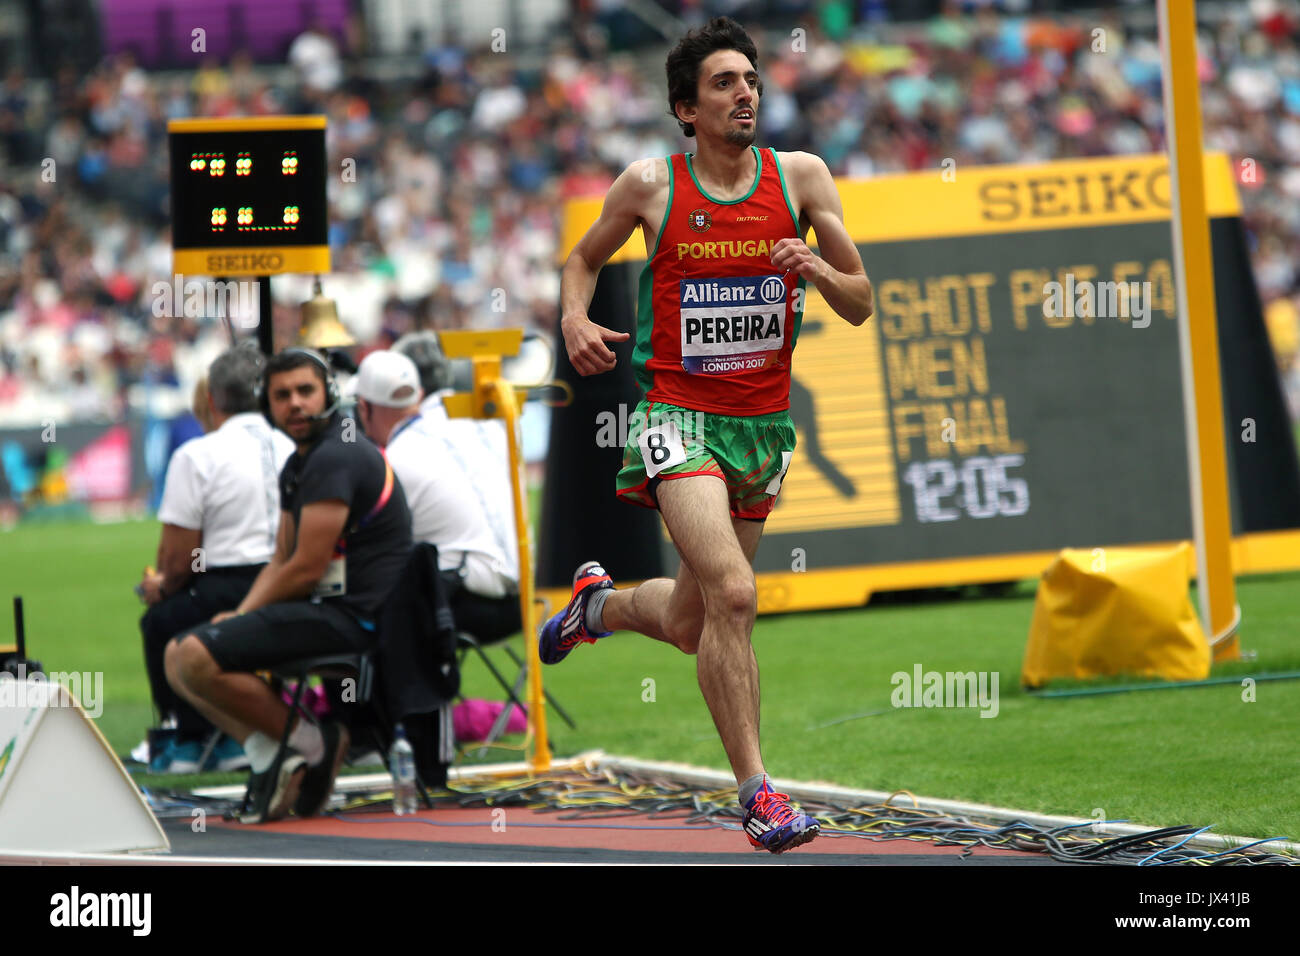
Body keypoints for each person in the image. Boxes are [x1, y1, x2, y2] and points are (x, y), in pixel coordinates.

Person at [543, 17, 873, 853]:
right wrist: (575, 320)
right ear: (685, 108)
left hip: (760, 429)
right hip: (674, 419)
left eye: (751, 79)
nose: (745, 93)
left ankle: (598, 607)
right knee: (732, 594)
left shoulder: (801, 178)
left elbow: (862, 298)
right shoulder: (651, 186)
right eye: (725, 83)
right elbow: (582, 260)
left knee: (694, 623)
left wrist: (819, 269)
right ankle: (760, 795)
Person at [164, 347, 413, 822]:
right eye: (282, 396)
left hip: (358, 619)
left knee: (194, 654)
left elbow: (303, 567)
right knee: (178, 658)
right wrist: (240, 615)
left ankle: (313, 746)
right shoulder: (300, 462)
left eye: (305, 391)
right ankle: (276, 754)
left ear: (329, 394)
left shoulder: (335, 456)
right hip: (330, 611)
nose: (295, 404)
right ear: (267, 405)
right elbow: (282, 556)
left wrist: (241, 617)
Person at [138, 347, 293, 773]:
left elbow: (181, 559)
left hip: (230, 582)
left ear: (211, 400)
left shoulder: (197, 455)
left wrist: (160, 586)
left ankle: (195, 737)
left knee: (161, 621)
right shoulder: (292, 445)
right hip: (295, 583)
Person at [350, 348, 521, 641]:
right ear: (417, 395)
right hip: (526, 599)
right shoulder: (483, 427)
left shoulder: (393, 460)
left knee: (357, 596)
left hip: (462, 607)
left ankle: (365, 688)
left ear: (364, 408)